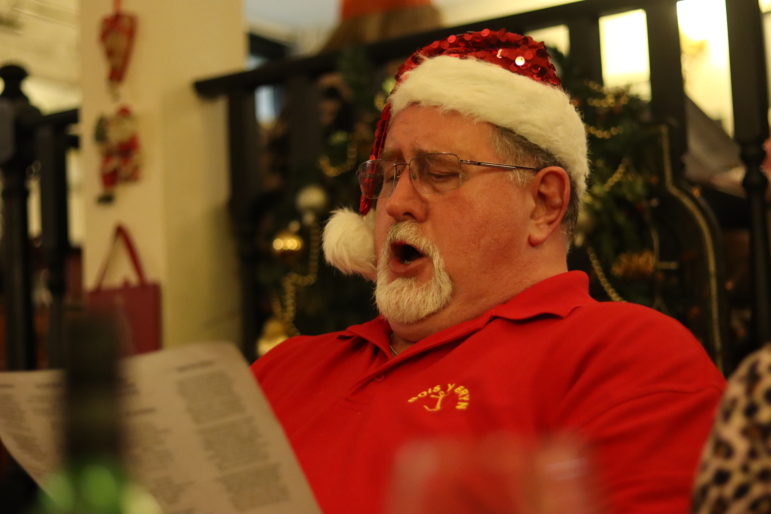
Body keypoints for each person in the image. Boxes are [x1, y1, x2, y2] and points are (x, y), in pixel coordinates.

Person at [251, 29, 725, 513]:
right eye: (390, 174)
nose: (395, 204)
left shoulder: (628, 358)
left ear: (544, 203)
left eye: (438, 173)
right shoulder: (284, 367)